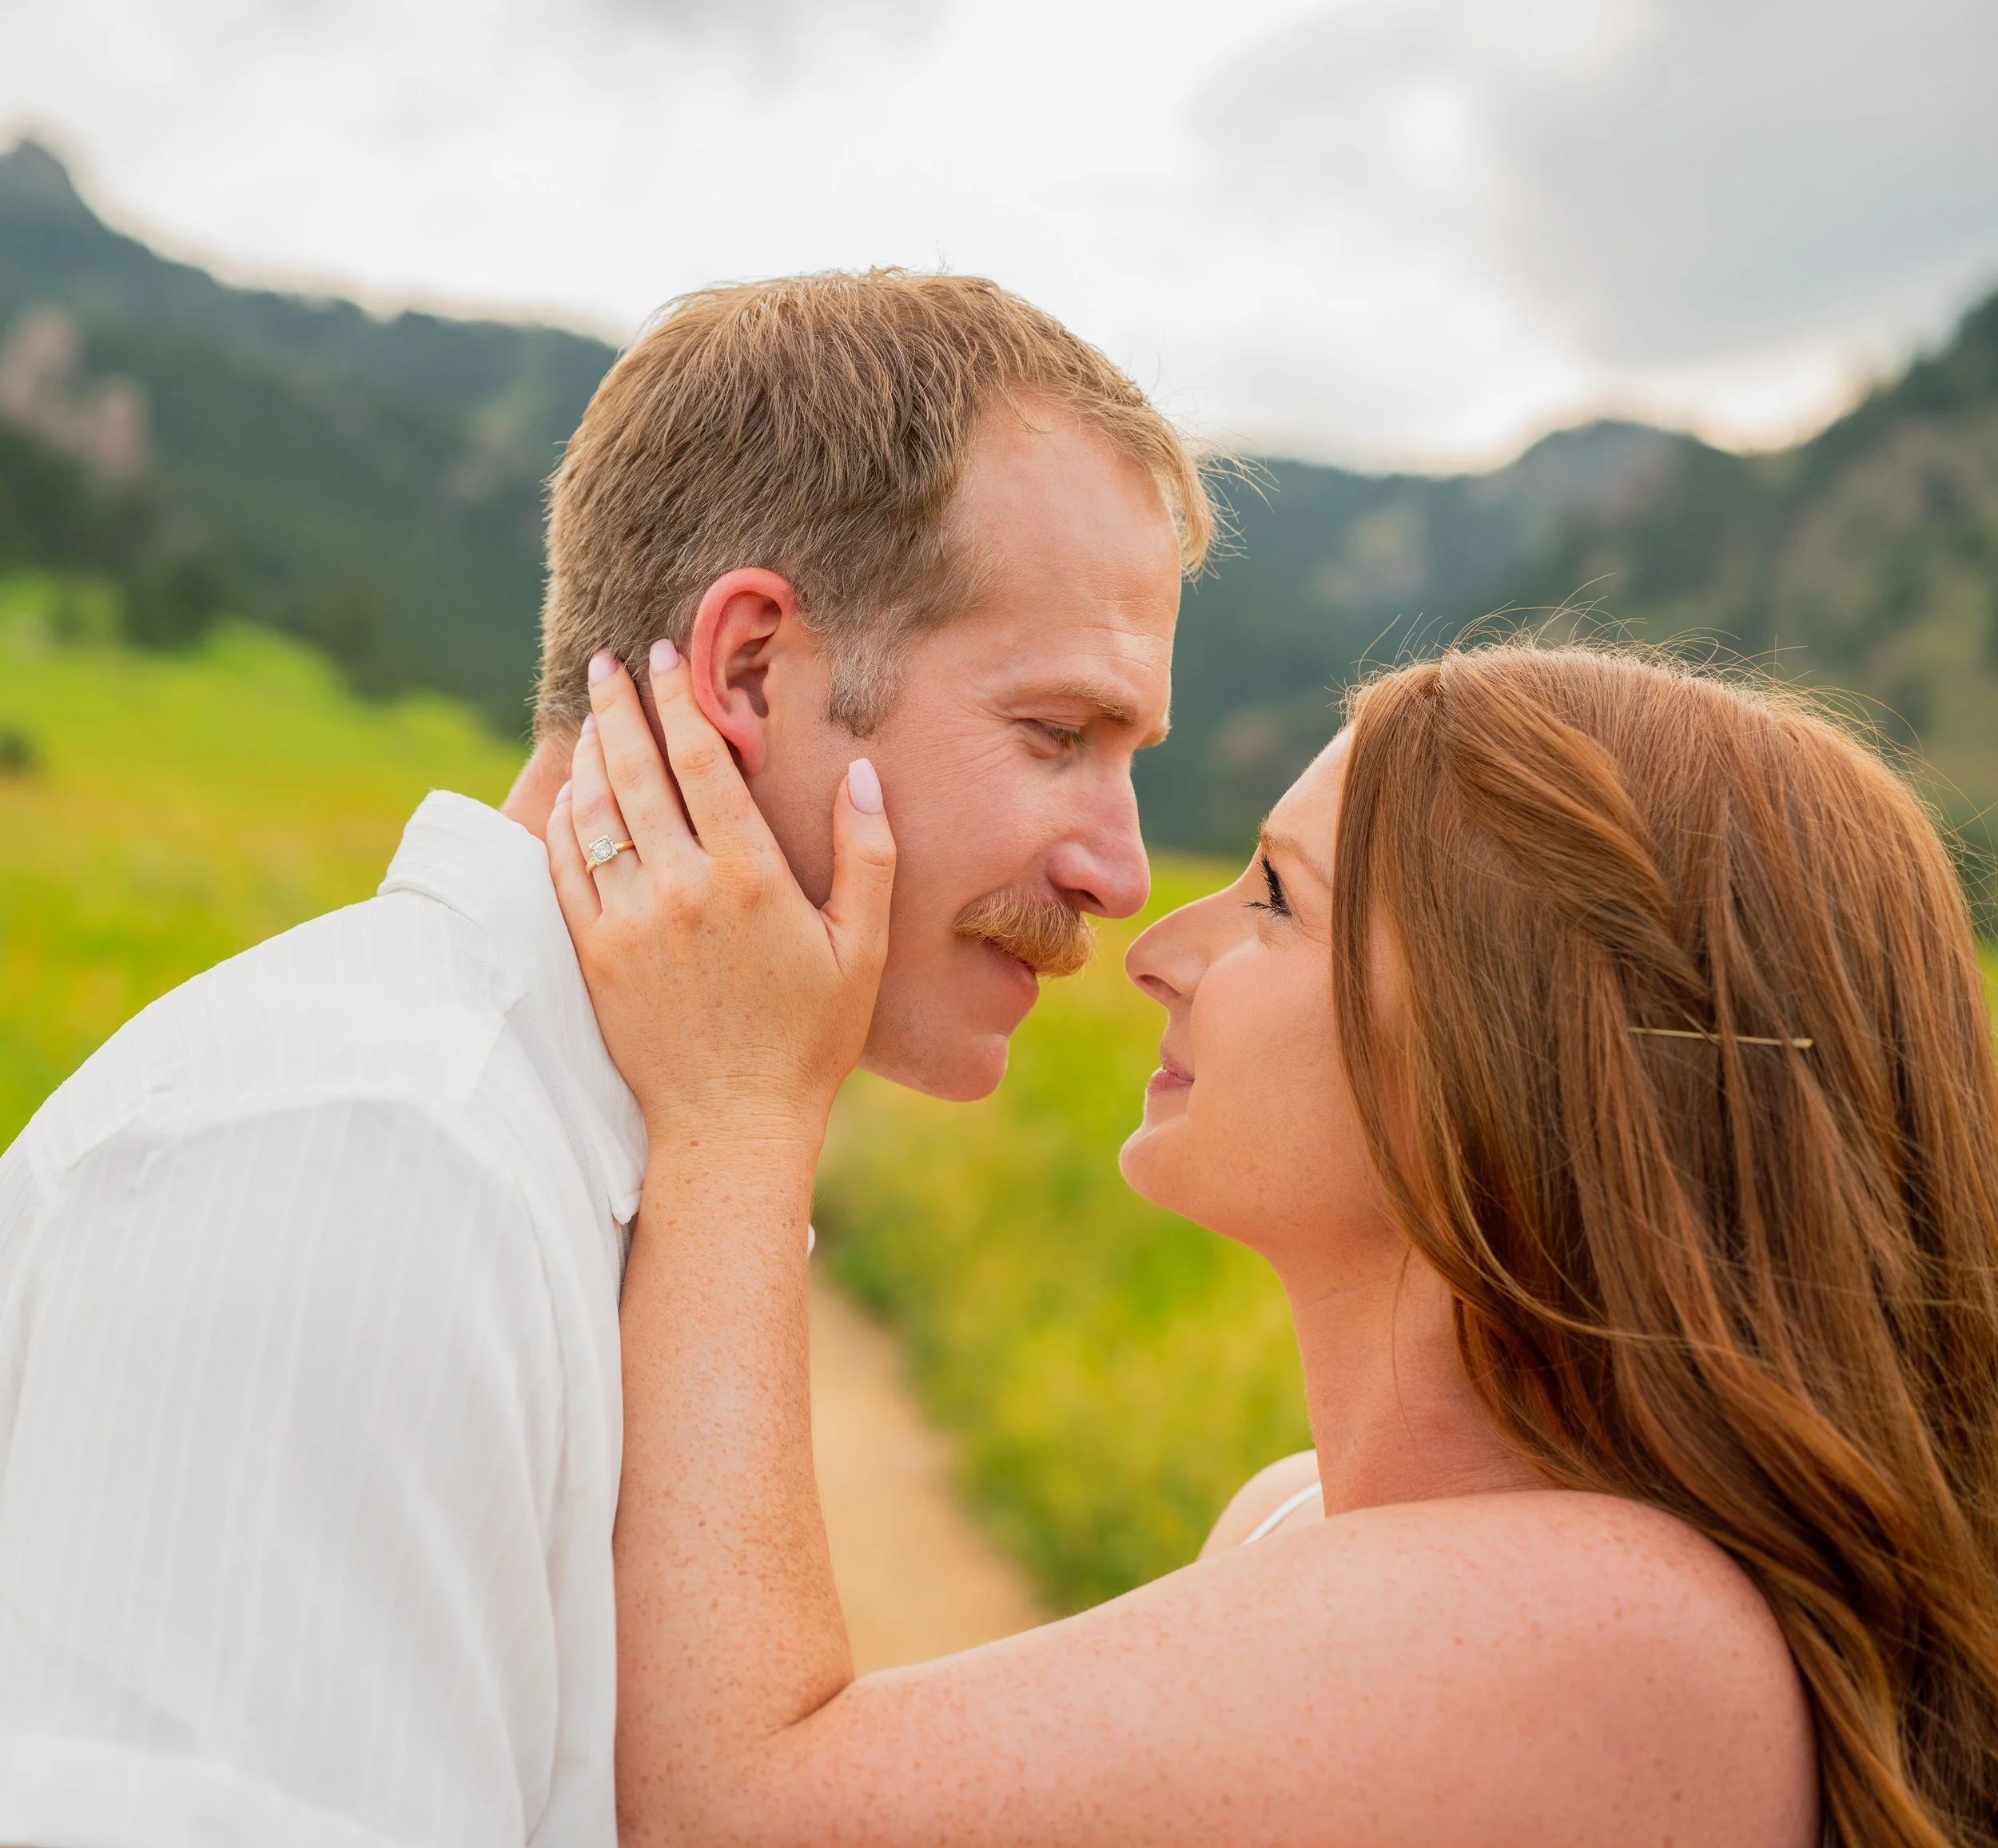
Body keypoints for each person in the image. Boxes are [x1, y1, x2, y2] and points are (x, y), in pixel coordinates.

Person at [0, 270, 1206, 1846]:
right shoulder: (370, 1161)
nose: (1121, 874)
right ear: (750, 670)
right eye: (1056, 736)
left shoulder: (591, 1152)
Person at [555, 639, 1998, 1847]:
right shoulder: (1294, 1520)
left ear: (1520, 1053)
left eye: (1275, 901)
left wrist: (740, 1108)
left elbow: (723, 1816)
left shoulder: (1620, 1628)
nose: (1154, 952)